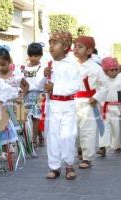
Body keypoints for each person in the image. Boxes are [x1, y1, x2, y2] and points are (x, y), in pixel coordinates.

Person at [40, 31, 80, 180]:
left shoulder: (73, 64)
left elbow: (75, 86)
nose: (51, 47)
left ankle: (69, 164)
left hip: (67, 105)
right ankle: (54, 167)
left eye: (54, 43)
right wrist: (44, 75)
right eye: (50, 44)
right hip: (53, 105)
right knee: (53, 136)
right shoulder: (49, 64)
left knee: (68, 136)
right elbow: (41, 85)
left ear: (65, 46)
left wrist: (55, 88)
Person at [0, 46, 28, 171]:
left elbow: (25, 85)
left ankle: (20, 146)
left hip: (15, 106)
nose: (1, 67)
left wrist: (22, 95)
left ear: (9, 62)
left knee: (17, 128)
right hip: (2, 107)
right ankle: (5, 150)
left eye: (3, 64)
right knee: (3, 128)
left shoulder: (16, 75)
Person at [73, 36, 107, 169]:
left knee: (88, 130)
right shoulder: (71, 65)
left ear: (89, 50)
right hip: (73, 101)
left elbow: (104, 86)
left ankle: (87, 157)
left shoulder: (96, 68)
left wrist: (97, 97)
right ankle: (79, 148)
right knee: (74, 130)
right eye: (75, 46)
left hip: (89, 102)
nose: (75, 49)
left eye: (80, 47)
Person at [97, 57, 121, 156]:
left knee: (117, 128)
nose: (114, 72)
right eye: (112, 70)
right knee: (103, 128)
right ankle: (102, 147)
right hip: (105, 108)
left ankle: (117, 145)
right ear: (105, 70)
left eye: (116, 69)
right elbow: (98, 93)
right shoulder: (101, 81)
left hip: (117, 108)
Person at [18, 42, 46, 147]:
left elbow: (43, 82)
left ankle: (33, 140)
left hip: (39, 94)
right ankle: (39, 134)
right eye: (31, 56)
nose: (33, 58)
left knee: (35, 117)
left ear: (41, 55)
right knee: (26, 116)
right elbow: (20, 80)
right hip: (26, 93)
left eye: (36, 56)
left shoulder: (43, 67)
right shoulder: (23, 67)